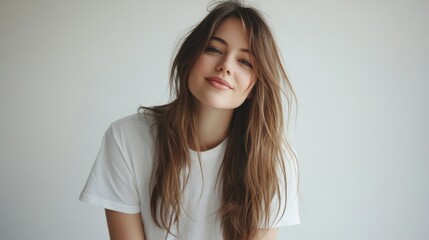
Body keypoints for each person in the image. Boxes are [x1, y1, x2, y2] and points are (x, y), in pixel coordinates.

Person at [79, 1, 300, 239]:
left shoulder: (274, 160)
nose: (225, 66)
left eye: (245, 62)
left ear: (255, 86)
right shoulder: (126, 138)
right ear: (190, 56)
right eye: (214, 49)